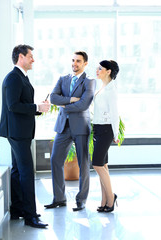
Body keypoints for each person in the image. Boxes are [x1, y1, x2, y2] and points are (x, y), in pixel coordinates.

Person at [0, 44, 50, 228]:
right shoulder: (14, 77)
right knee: (27, 172)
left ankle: (18, 210)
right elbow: (13, 106)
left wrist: (39, 108)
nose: (33, 60)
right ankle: (30, 216)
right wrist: (36, 107)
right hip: (18, 133)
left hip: (19, 131)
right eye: (31, 56)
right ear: (21, 57)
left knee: (18, 171)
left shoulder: (20, 77)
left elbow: (21, 105)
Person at [44, 51, 95, 211]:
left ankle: (81, 200)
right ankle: (59, 198)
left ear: (85, 63)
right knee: (55, 160)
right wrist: (70, 100)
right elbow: (53, 98)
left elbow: (84, 104)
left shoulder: (89, 82)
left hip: (80, 127)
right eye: (73, 60)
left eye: (78, 61)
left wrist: (64, 106)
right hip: (63, 127)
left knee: (83, 163)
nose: (74, 63)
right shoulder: (63, 79)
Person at [92, 60, 120, 213]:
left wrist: (115, 134)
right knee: (103, 165)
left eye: (100, 68)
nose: (97, 70)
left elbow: (114, 114)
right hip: (98, 129)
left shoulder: (111, 90)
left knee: (97, 164)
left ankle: (111, 197)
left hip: (106, 130)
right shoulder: (102, 87)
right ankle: (104, 201)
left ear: (108, 71)